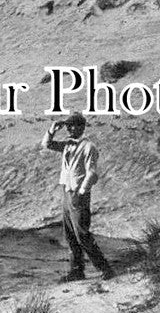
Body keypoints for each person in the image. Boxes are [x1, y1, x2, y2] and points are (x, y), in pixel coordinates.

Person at [41, 111, 115, 282]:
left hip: (78, 194)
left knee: (82, 234)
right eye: (68, 125)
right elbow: (47, 144)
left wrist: (81, 192)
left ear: (82, 127)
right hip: (67, 191)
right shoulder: (68, 143)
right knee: (70, 234)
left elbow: (92, 174)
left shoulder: (89, 147)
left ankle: (105, 269)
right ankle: (77, 271)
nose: (69, 128)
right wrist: (52, 130)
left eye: (73, 125)